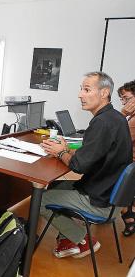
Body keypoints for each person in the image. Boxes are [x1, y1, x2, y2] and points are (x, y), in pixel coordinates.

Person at [40, 71, 132, 259]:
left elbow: (79, 166)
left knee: (38, 200)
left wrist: (60, 152)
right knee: (55, 185)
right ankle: (67, 238)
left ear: (104, 93)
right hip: (109, 195)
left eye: (87, 89)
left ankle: (83, 240)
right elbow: (93, 154)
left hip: (100, 201)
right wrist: (67, 150)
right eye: (81, 89)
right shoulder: (115, 117)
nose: (80, 94)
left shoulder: (102, 123)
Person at [117, 80, 135, 237]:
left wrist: (122, 113)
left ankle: (127, 212)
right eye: (121, 99)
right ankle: (129, 213)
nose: (123, 102)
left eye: (126, 98)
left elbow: (117, 139)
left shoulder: (133, 120)